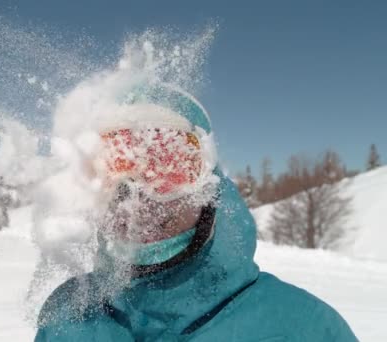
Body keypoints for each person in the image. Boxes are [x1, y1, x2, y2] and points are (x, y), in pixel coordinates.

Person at [34, 84, 357, 341]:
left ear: (210, 186)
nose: (136, 193)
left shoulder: (305, 328)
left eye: (167, 163)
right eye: (110, 168)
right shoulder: (69, 313)